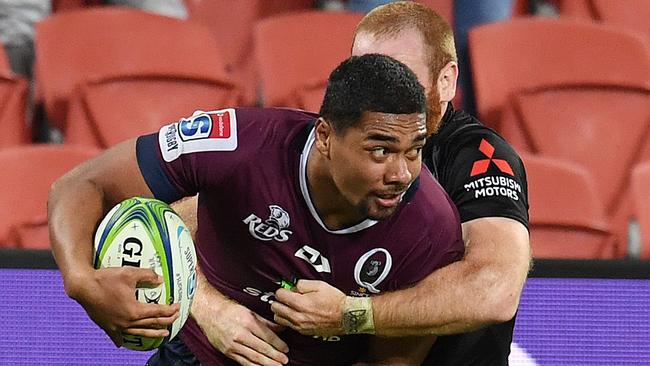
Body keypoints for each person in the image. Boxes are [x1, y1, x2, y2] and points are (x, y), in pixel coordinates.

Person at [48, 54, 465, 365]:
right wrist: (81, 280)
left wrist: (348, 318)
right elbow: (82, 185)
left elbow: (390, 362)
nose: (402, 173)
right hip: (196, 354)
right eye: (380, 150)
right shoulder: (239, 143)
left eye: (415, 150)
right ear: (325, 137)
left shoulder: (432, 228)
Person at [270, 2, 531, 365]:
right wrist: (212, 308)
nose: (379, 91)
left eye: (398, 74)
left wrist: (351, 314)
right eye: (364, 74)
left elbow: (495, 289)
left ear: (447, 80)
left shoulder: (478, 156)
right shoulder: (329, 141)